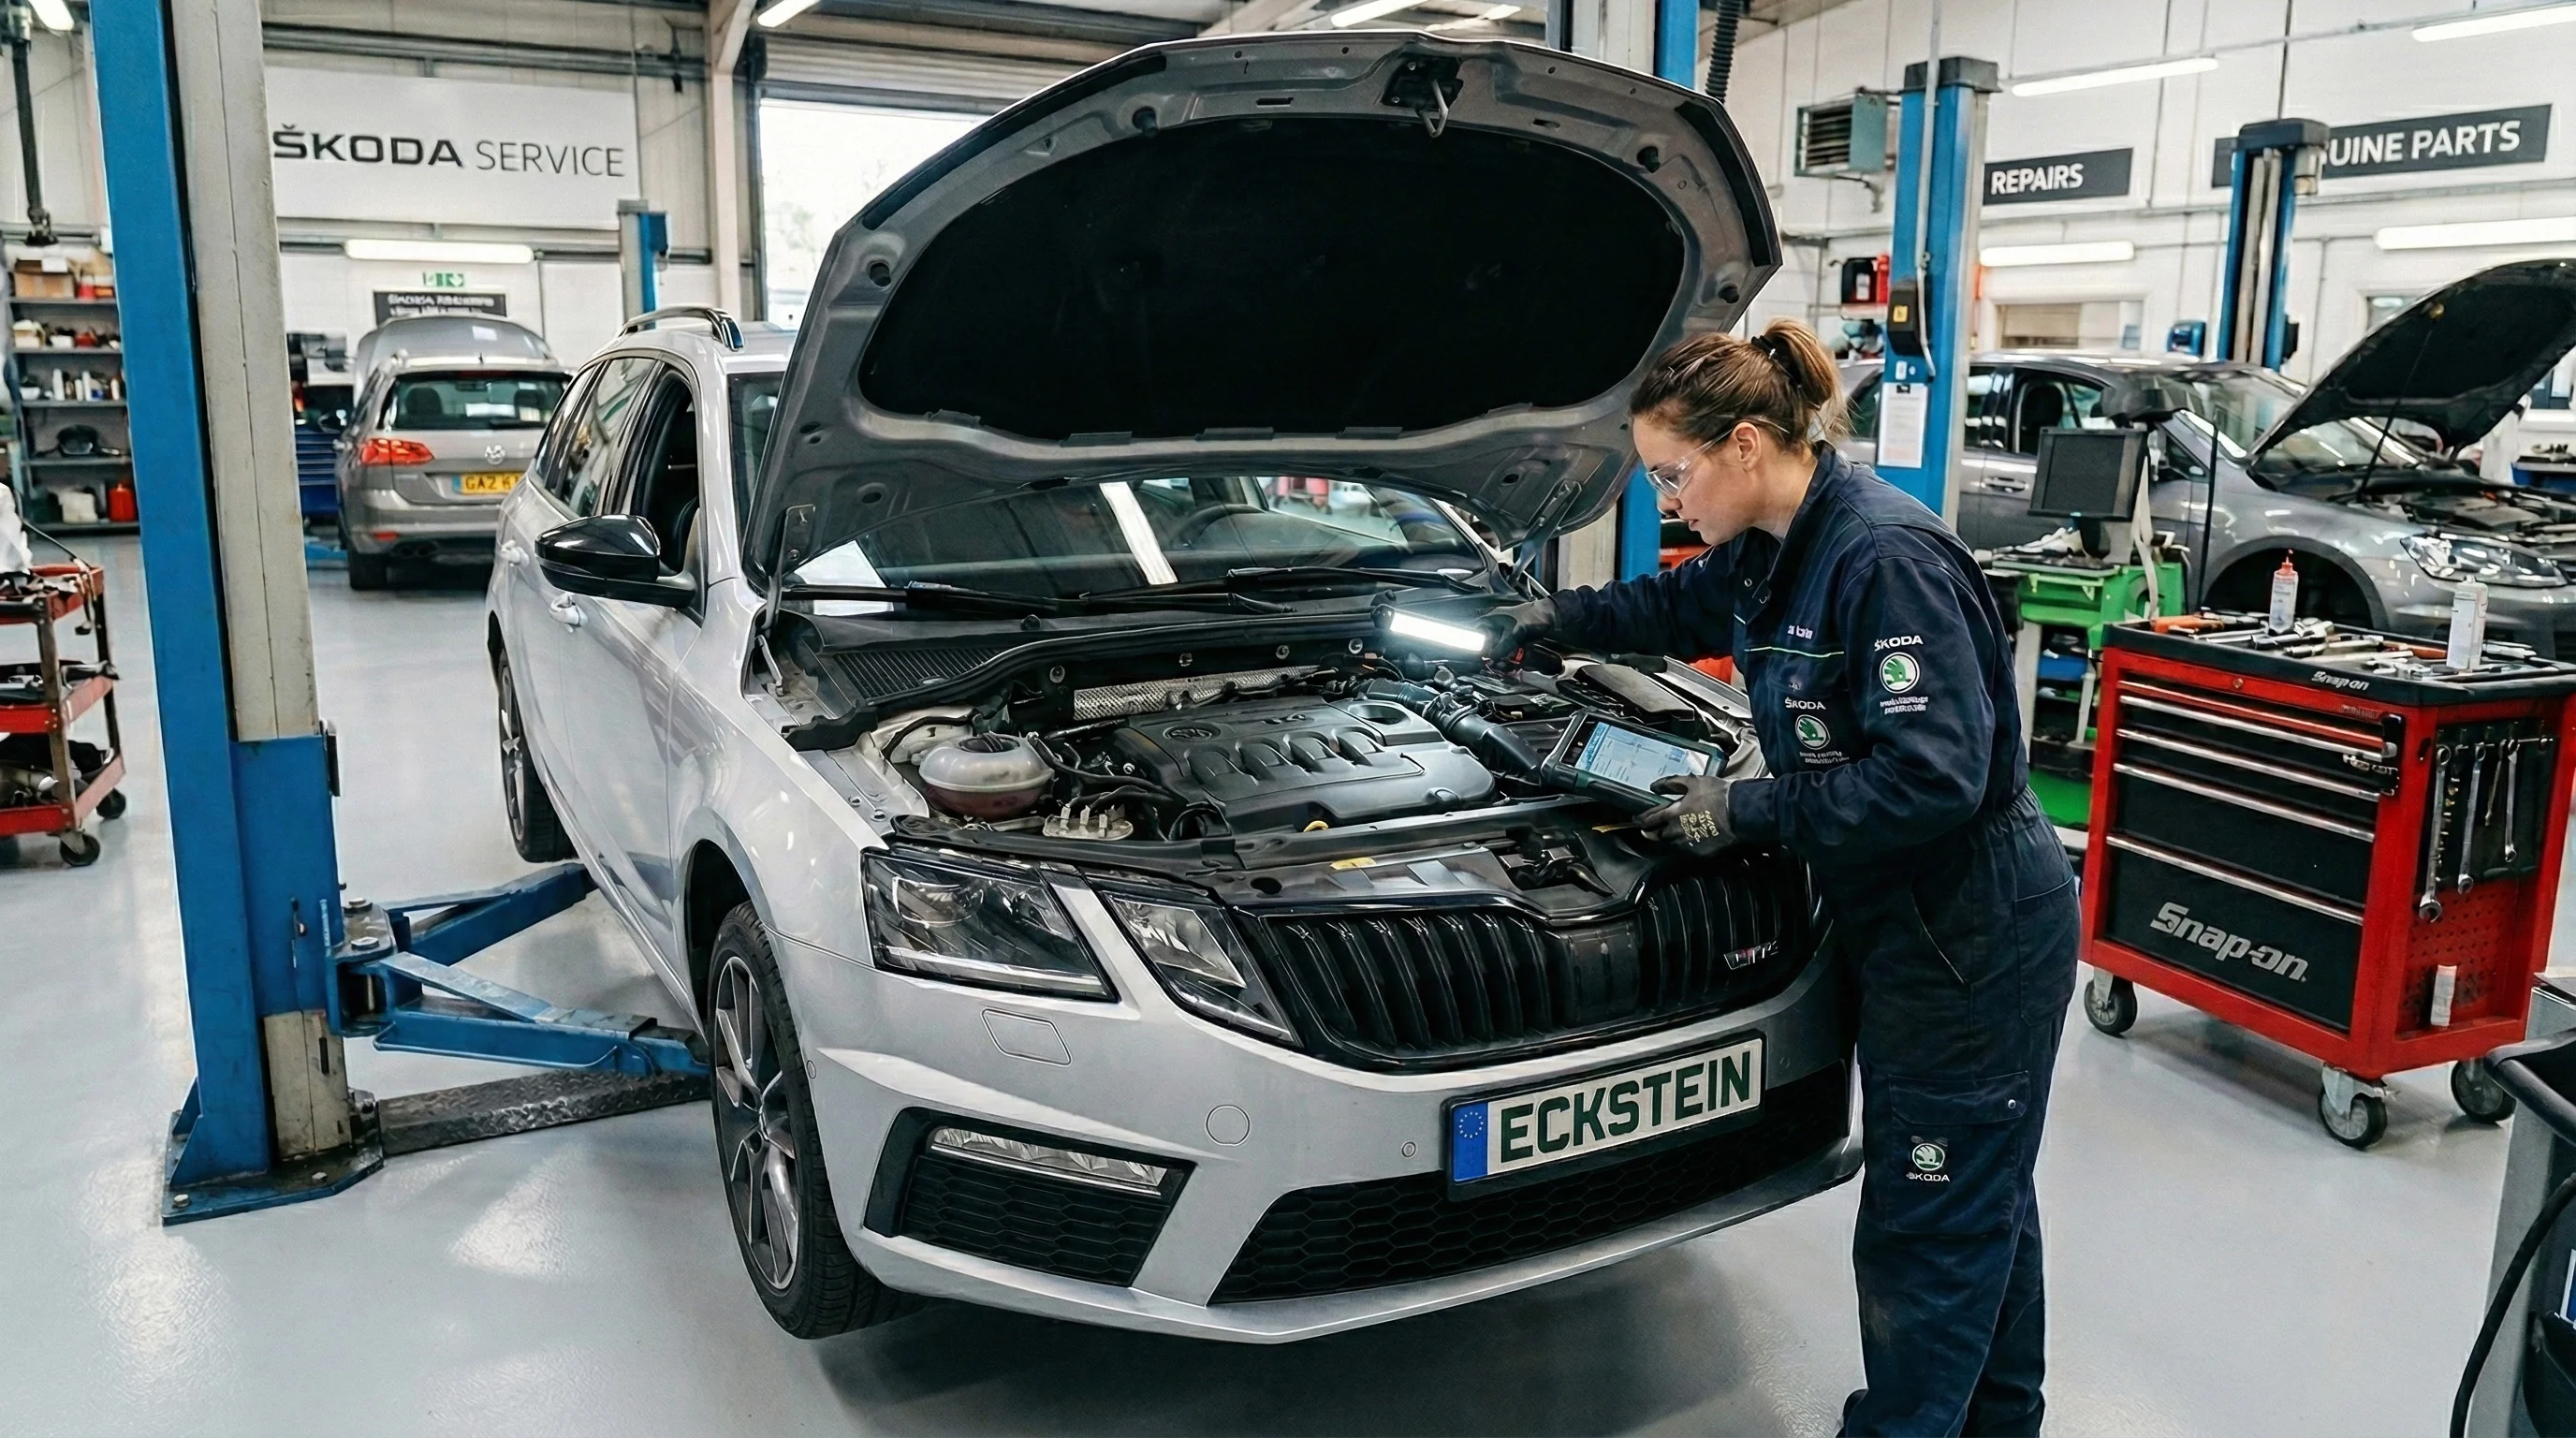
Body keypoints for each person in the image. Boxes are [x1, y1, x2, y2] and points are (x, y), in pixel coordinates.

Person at [1485, 319, 2078, 1438]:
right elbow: (1672, 605)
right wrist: (1549, 622)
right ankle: (1999, 1421)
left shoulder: (1881, 561)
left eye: (1673, 474)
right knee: (1977, 1199)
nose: (1666, 501)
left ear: (1746, 444)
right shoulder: (1776, 544)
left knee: (1926, 1221)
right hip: (1908, 918)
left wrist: (1740, 808)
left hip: (1971, 930)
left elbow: (1932, 780)